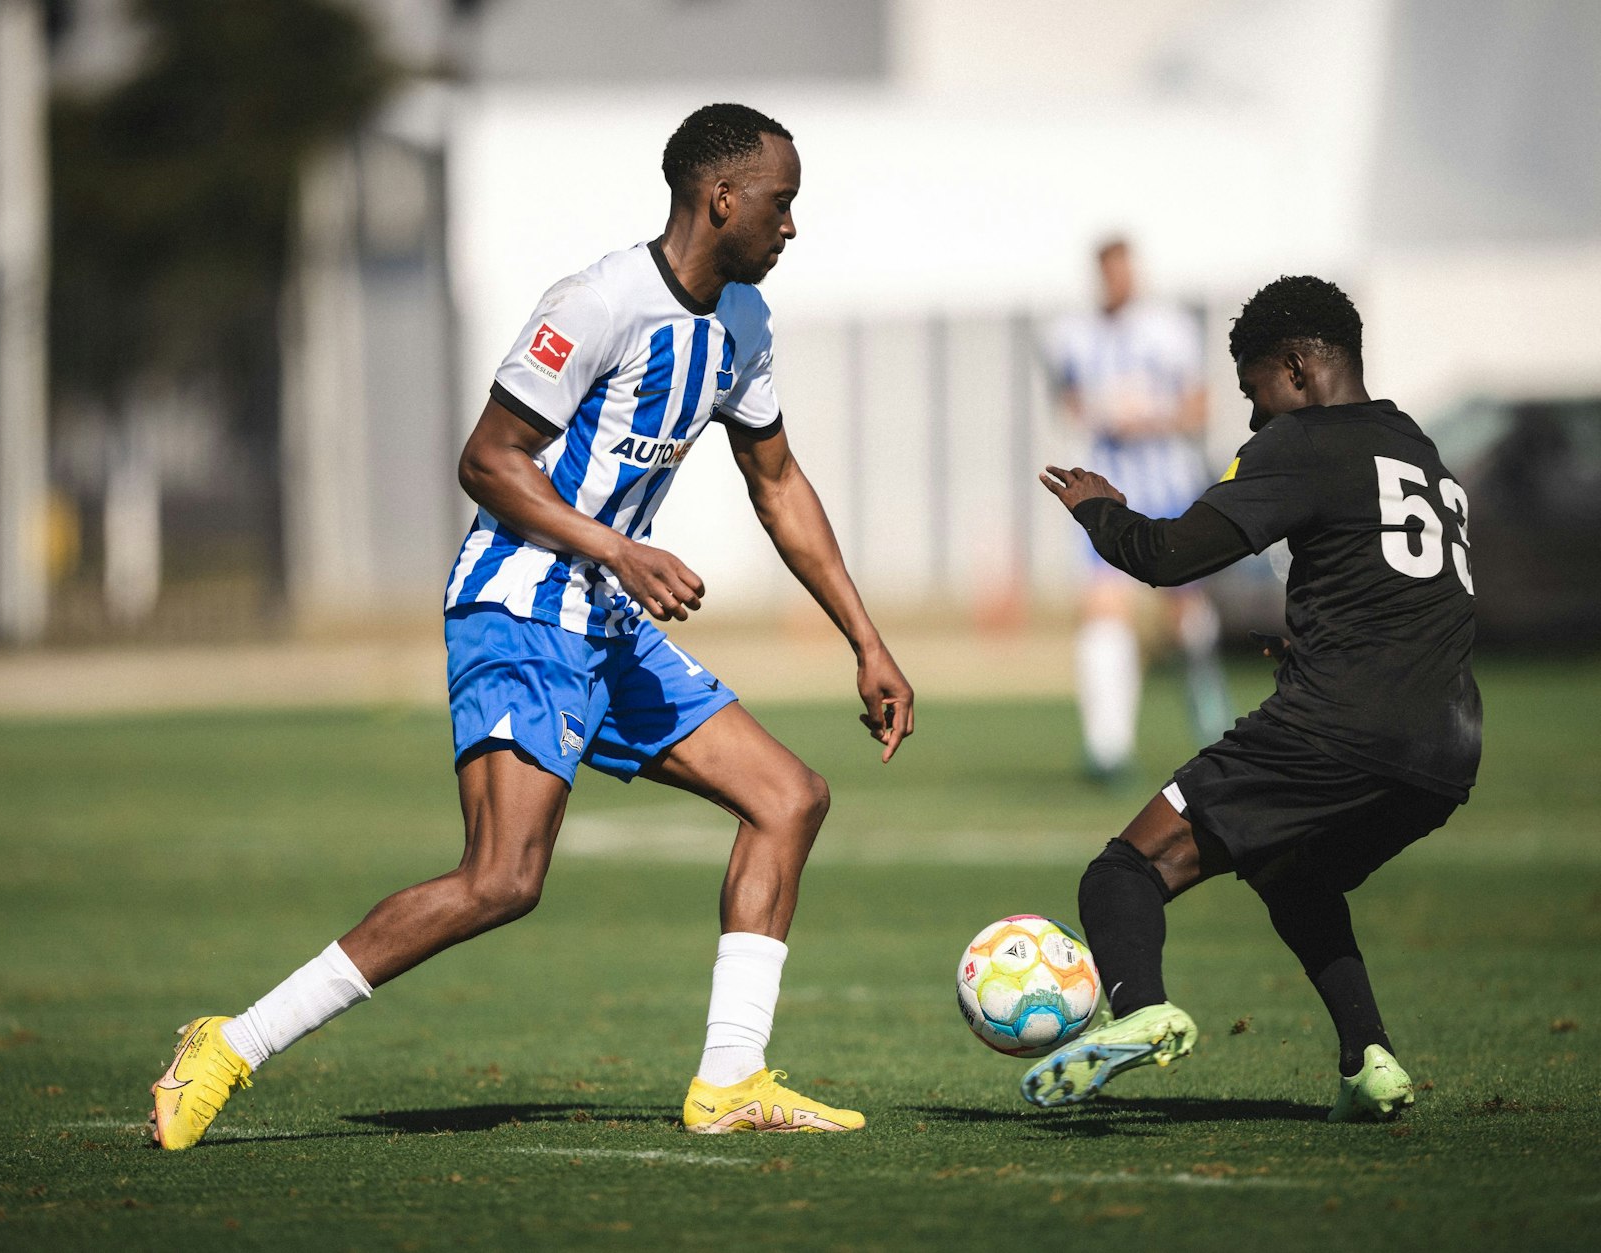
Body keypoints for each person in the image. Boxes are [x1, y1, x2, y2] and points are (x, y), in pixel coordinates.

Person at [149, 103, 915, 1149]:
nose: (791, 226)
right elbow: (487, 459)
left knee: (787, 797)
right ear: (720, 197)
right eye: (780, 204)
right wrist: (618, 548)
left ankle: (729, 1080)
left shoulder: (743, 325)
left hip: (604, 618)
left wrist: (863, 639)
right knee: (502, 877)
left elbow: (775, 480)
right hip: (519, 603)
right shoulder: (597, 303)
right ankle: (229, 1044)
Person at [1029, 275, 1480, 1121]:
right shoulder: (1415, 445)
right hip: (1448, 749)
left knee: (1123, 872)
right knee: (1289, 870)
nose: (1251, 418)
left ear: (1299, 368)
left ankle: (1142, 1011)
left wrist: (1100, 511)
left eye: (1254, 390)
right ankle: (1368, 1060)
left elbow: (1169, 556)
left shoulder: (1302, 440)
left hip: (1337, 725)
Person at [1044, 239, 1231, 782]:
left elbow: (1199, 406)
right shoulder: (1072, 334)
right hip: (1105, 492)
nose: (1117, 282)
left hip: (1168, 489)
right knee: (1105, 613)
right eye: (1108, 272)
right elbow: (1070, 399)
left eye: (1124, 271)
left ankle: (1212, 722)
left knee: (1185, 619)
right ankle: (1108, 750)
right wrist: (1097, 413)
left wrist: (1148, 418)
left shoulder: (1168, 329)